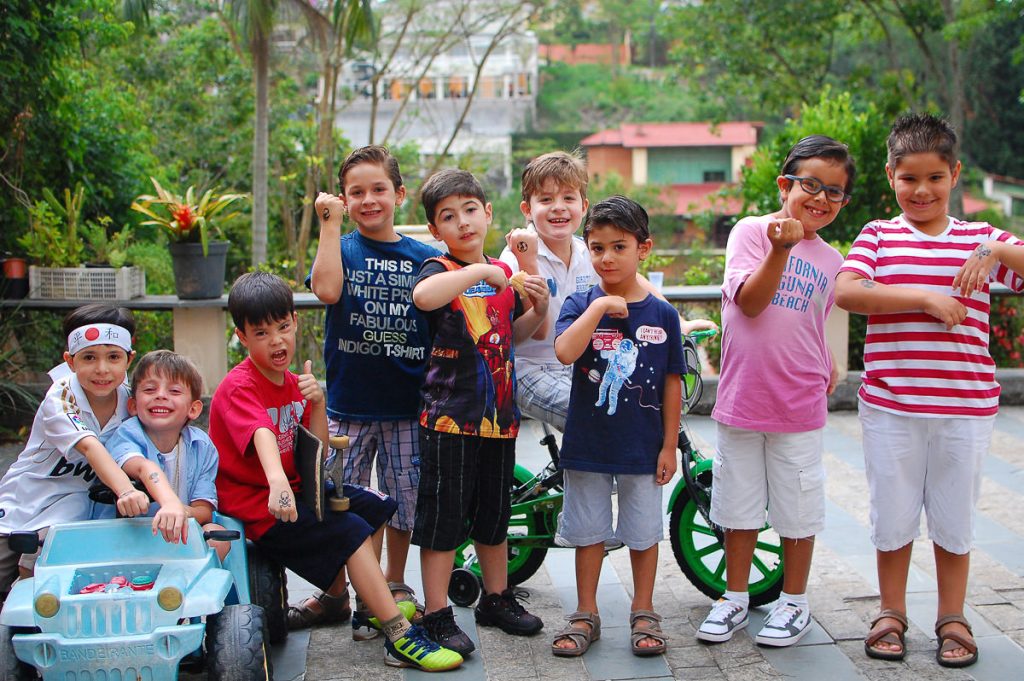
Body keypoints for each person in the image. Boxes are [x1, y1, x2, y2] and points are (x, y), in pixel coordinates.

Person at [835, 113, 1024, 668]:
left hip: (964, 408)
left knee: (954, 517)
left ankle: (952, 617)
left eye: (935, 178)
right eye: (909, 178)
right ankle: (890, 612)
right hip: (891, 406)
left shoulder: (978, 239)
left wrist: (995, 253)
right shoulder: (878, 236)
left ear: (955, 175)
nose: (922, 190)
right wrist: (923, 298)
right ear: (890, 175)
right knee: (892, 515)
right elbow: (848, 291)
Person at [209, 271, 462, 672]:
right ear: (242, 336)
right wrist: (277, 481)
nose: (276, 341)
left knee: (377, 505)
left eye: (283, 327)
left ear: (295, 321)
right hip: (262, 507)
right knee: (350, 531)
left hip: (298, 489)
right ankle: (399, 636)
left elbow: (318, 450)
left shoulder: (294, 382)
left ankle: (367, 609)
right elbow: (261, 433)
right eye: (261, 333)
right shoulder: (240, 386)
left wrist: (317, 402)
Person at [696, 135, 854, 647]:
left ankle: (795, 602)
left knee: (797, 506)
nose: (821, 198)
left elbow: (815, 319)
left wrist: (828, 359)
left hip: (799, 402)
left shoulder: (831, 260)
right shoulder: (751, 232)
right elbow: (751, 303)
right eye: (811, 184)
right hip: (743, 398)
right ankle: (734, 597)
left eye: (834, 191)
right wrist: (781, 248)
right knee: (737, 506)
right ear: (785, 185)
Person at [411, 168, 549, 656]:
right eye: (449, 216)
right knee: (444, 520)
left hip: (500, 420)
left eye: (470, 210)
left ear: (488, 213)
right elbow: (424, 298)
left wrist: (539, 307)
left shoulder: (503, 277)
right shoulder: (439, 269)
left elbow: (516, 334)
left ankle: (496, 598)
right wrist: (481, 273)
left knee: (495, 516)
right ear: (435, 229)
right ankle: (436, 614)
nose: (463, 222)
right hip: (449, 421)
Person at [308, 145, 440, 634]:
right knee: (342, 501)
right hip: (349, 406)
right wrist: (328, 225)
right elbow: (326, 290)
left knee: (403, 500)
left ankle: (394, 584)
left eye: (378, 189)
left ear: (399, 195)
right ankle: (341, 593)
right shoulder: (340, 249)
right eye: (356, 192)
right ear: (343, 199)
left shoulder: (424, 258)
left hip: (408, 405)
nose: (368, 200)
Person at [550, 196, 683, 658]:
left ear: (643, 248)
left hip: (643, 447)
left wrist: (669, 445)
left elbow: (672, 382)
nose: (607, 257)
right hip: (587, 445)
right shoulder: (579, 303)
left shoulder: (663, 315)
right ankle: (585, 612)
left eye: (619, 247)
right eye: (597, 247)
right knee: (587, 533)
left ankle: (644, 610)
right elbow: (565, 352)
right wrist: (600, 307)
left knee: (643, 533)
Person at [499, 150, 715, 431]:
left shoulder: (587, 251)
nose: (559, 207)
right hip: (530, 366)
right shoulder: (515, 257)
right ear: (527, 209)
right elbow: (526, 330)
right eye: (546, 199)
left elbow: (633, 280)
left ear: (584, 206)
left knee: (632, 402)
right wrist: (528, 263)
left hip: (581, 361)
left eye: (568, 198)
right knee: (592, 414)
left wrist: (679, 322)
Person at [0, 304, 148, 600]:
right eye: (89, 357)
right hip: (26, 500)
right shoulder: (61, 396)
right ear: (70, 361)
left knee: (45, 576)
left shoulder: (131, 400)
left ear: (129, 359)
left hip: (76, 506)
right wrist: (126, 491)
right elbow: (89, 446)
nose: (102, 369)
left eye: (114, 357)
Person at [99, 350, 230, 560]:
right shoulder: (126, 434)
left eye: (174, 391)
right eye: (150, 389)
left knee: (217, 535)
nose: (160, 395)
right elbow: (141, 467)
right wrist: (168, 504)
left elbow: (203, 510)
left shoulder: (201, 446)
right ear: (133, 405)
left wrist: (180, 513)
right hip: (133, 535)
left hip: (181, 535)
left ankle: (193, 581)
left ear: (194, 409)